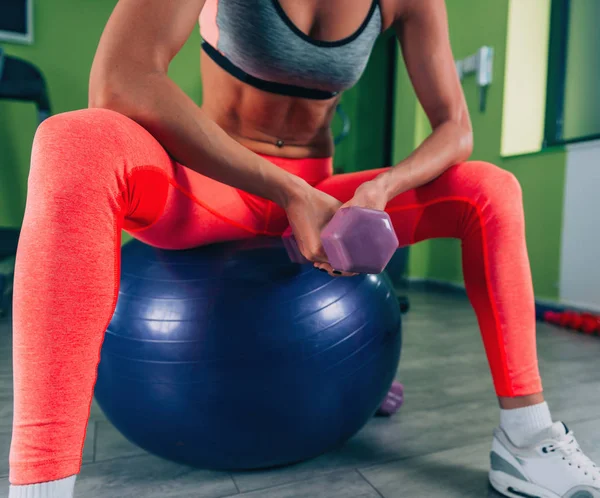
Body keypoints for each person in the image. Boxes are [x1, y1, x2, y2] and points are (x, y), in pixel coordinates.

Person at [8, 1, 599, 497]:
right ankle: (42, 482)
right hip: (221, 186)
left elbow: (456, 126)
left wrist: (382, 186)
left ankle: (525, 437)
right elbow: (121, 78)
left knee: (492, 188)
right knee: (74, 142)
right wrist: (284, 188)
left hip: (322, 201)